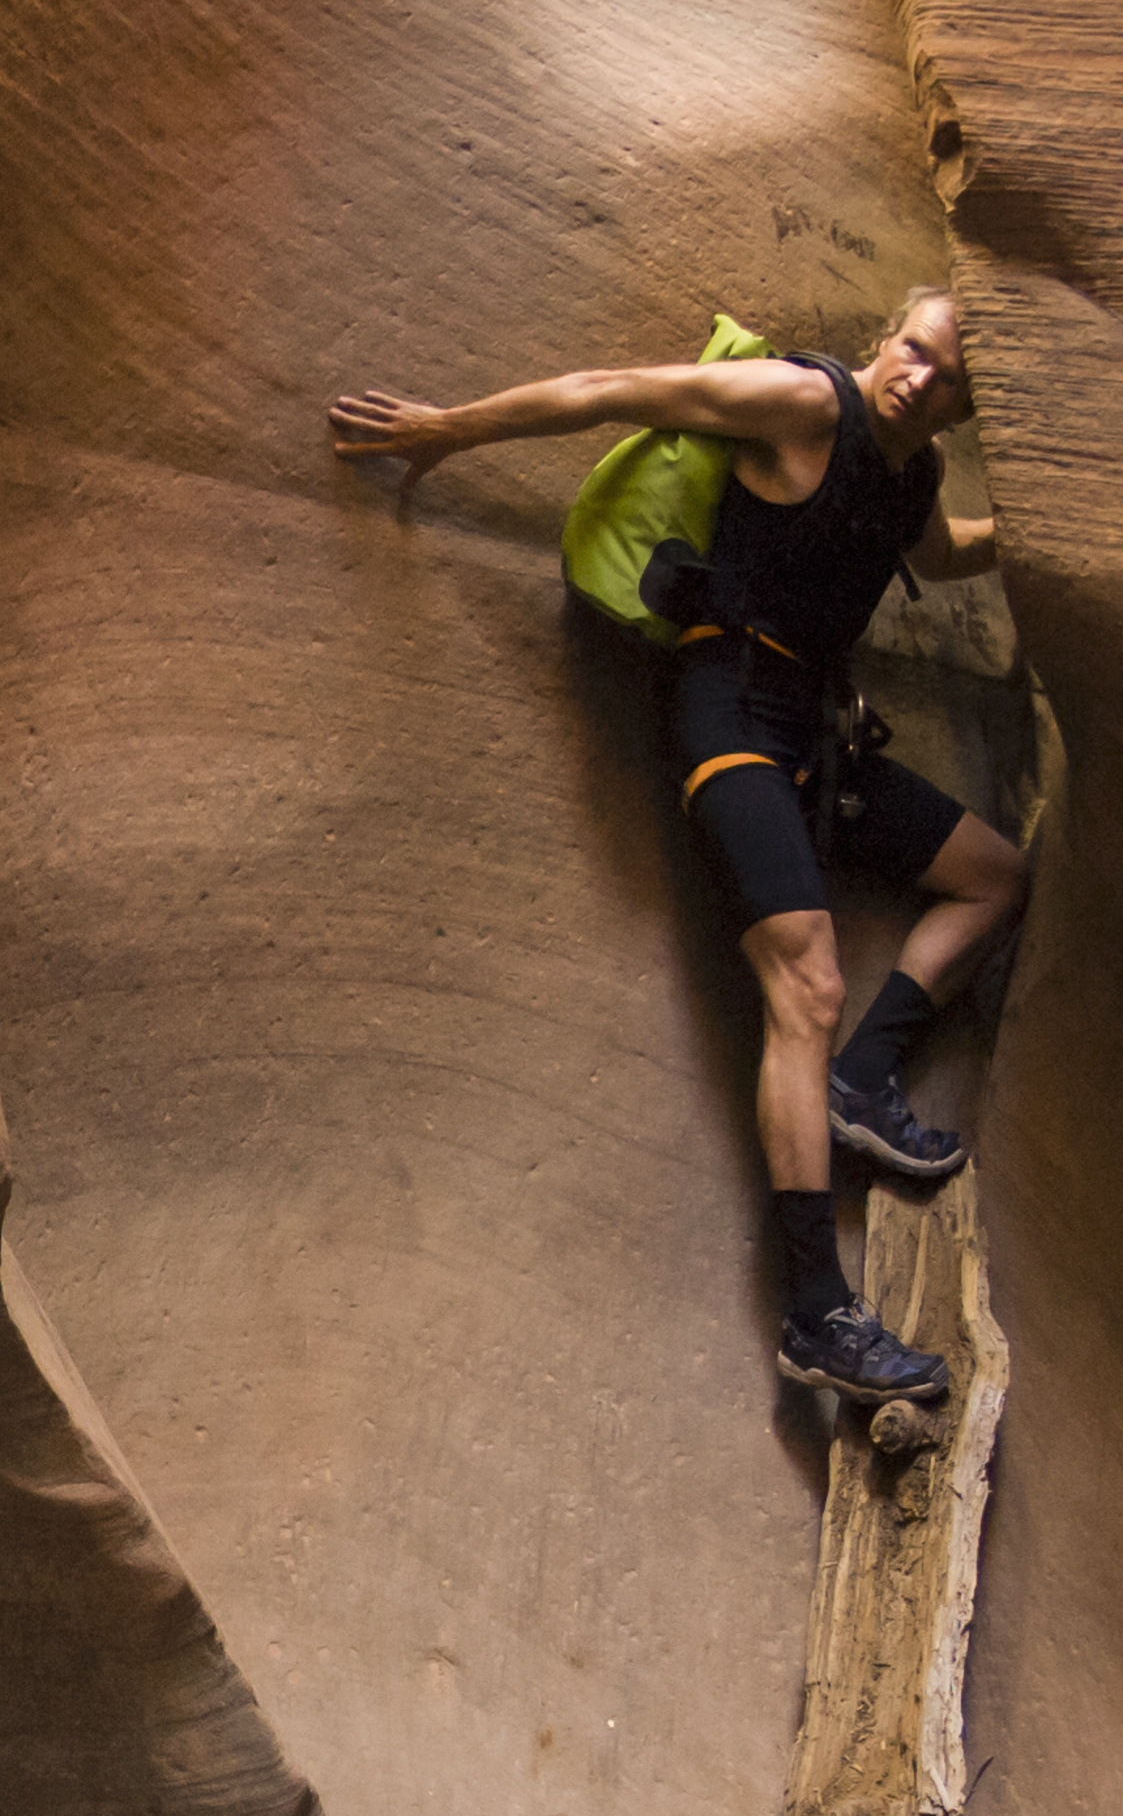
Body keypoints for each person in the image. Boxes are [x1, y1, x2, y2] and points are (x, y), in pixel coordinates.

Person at [325, 292, 1024, 1411]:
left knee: (992, 875)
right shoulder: (802, 403)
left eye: (945, 378)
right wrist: (448, 428)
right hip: (732, 711)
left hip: (818, 737)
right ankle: (814, 1314)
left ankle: (860, 1077)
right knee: (804, 981)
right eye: (909, 351)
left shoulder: (915, 478)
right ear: (884, 336)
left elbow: (938, 558)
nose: (914, 381)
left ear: (965, 405)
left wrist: (1059, 533)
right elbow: (611, 391)